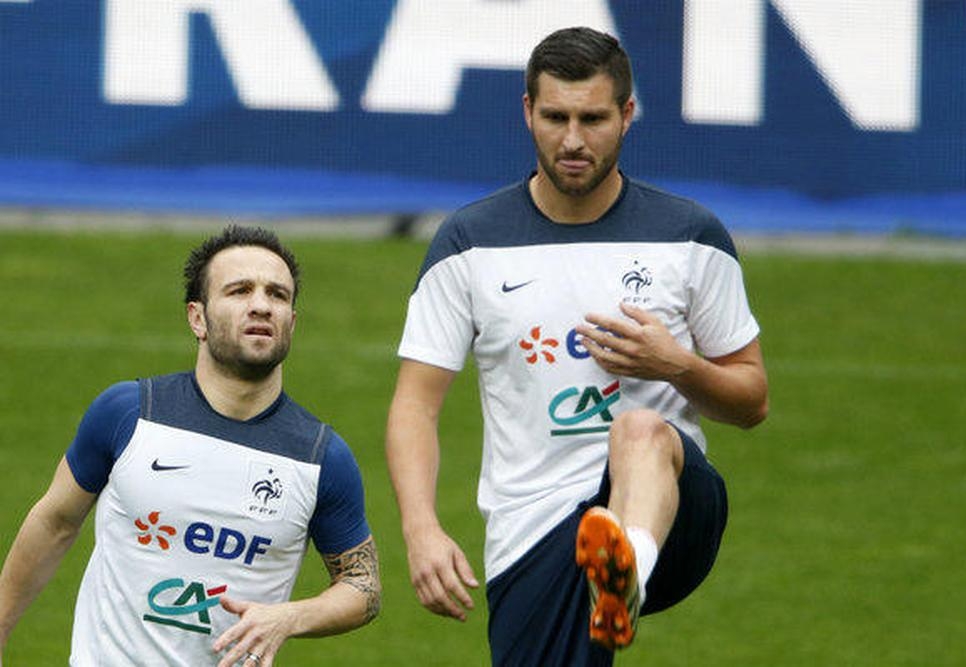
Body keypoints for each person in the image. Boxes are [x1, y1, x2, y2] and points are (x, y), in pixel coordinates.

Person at [385, 26, 768, 666]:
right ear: (527, 111)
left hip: (677, 513)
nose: (571, 140)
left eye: (592, 119)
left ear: (626, 114)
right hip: (532, 527)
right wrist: (421, 529)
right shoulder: (469, 245)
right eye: (555, 117)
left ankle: (627, 568)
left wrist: (675, 364)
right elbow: (414, 405)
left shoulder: (690, 238)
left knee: (640, 430)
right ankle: (612, 580)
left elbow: (751, 400)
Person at [0, 225, 381, 667]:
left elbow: (363, 586)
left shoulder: (320, 459)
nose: (261, 305)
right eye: (240, 290)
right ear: (197, 318)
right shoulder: (128, 414)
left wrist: (290, 618)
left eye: (277, 295)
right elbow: (55, 522)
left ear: (291, 323)